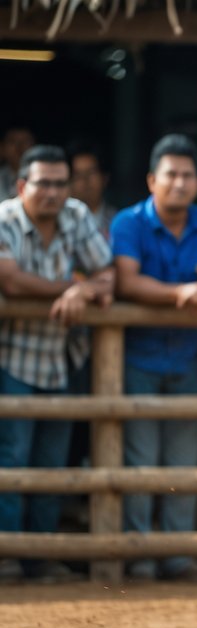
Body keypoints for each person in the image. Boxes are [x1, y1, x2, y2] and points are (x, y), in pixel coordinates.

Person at [111, 134, 197, 582]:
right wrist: (183, 291)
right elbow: (126, 282)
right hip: (139, 358)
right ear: (151, 180)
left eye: (187, 176)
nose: (179, 183)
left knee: (181, 464)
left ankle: (177, 556)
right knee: (141, 462)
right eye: (171, 175)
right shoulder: (129, 223)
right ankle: (140, 556)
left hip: (185, 359)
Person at [0, 145, 114, 583]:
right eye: (42, 183)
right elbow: (9, 280)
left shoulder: (76, 214)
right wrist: (73, 287)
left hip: (61, 360)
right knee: (13, 460)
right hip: (12, 358)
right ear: (21, 185)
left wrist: (82, 292)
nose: (52, 192)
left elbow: (107, 275)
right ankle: (9, 555)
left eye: (60, 183)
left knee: (52, 464)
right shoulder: (5, 217)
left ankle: (40, 558)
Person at [67, 144, 116, 240]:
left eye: (91, 172)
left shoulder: (118, 221)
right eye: (78, 174)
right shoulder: (57, 223)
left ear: (105, 178)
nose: (85, 180)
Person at [0, 126, 36, 200]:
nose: (19, 147)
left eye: (25, 141)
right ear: (2, 147)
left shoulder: (46, 177)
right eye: (12, 142)